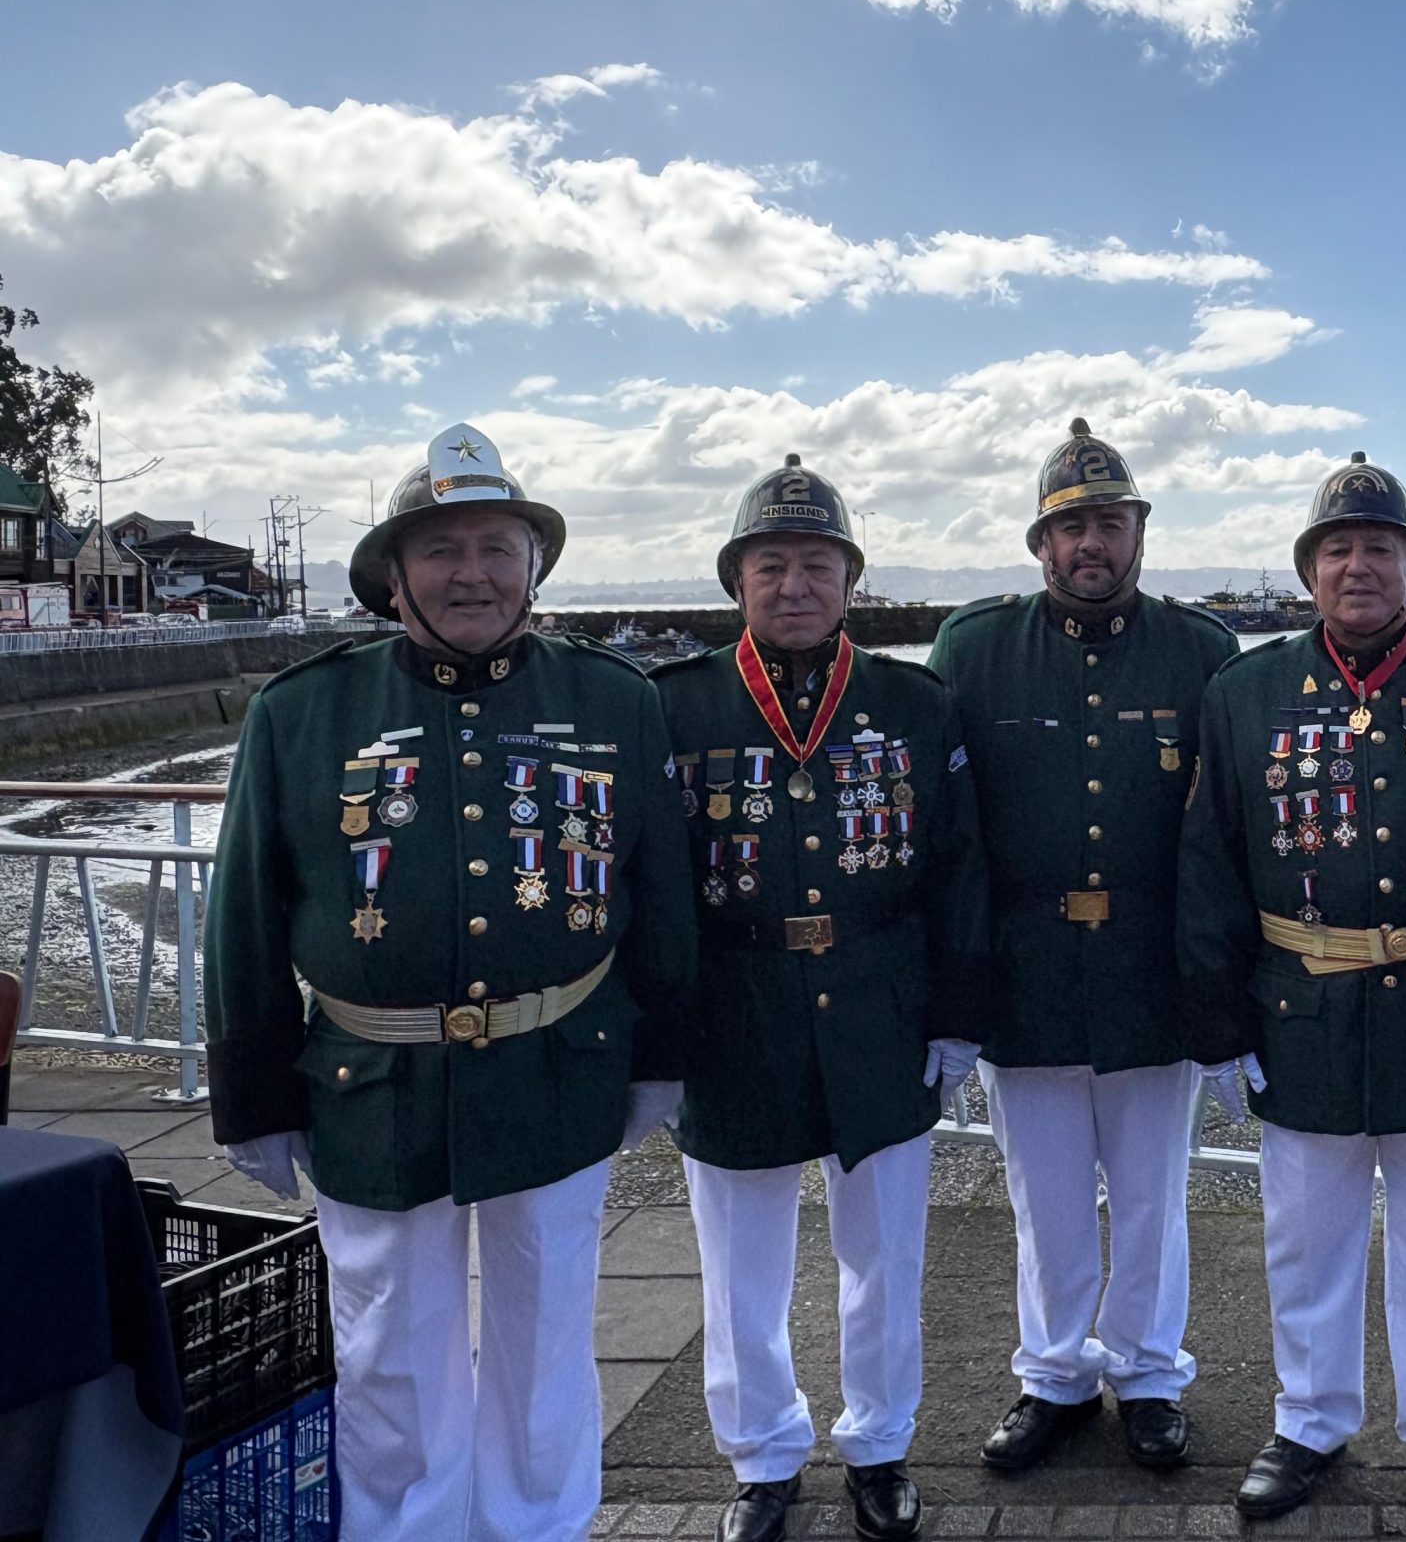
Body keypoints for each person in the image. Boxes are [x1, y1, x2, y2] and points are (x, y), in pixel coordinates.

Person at [205, 424, 695, 1542]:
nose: (470, 571)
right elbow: (243, 917)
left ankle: (538, 1526)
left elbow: (662, 896)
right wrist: (254, 1096)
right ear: (392, 575)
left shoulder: (620, 700)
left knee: (545, 1337)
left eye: (495, 545)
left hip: (557, 1071)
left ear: (534, 563)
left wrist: (662, 1057)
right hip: (368, 1086)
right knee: (389, 1350)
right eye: (440, 550)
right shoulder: (301, 712)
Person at [1177, 451, 1406, 1536]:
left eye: (1379, 548)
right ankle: (1310, 1422)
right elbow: (1211, 859)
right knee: (1305, 1236)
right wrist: (1220, 1022)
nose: (1357, 566)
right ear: (1307, 573)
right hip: (1304, 1008)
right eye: (1336, 549)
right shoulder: (1246, 689)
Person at [652, 456, 991, 1542]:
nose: (794, 584)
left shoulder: (914, 702)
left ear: (851, 582)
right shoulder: (674, 705)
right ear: (735, 582)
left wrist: (957, 1016)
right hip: (734, 1012)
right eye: (771, 565)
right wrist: (659, 1041)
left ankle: (880, 1446)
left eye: (817, 565)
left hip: (878, 1002)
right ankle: (760, 1456)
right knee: (741, 1267)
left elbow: (958, 870)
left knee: (885, 1254)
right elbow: (648, 891)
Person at [927, 421, 1239, 1474]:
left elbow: (1224, 831)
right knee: (1044, 1195)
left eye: (1109, 522)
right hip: (1027, 972)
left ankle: (1149, 1373)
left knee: (1152, 1193)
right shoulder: (973, 648)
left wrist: (1223, 989)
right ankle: (1054, 1374)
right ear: (1039, 545)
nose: (1090, 544)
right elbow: (949, 827)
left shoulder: (1200, 650)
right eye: (1071, 528)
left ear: (1139, 533)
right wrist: (956, 995)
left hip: (1153, 970)